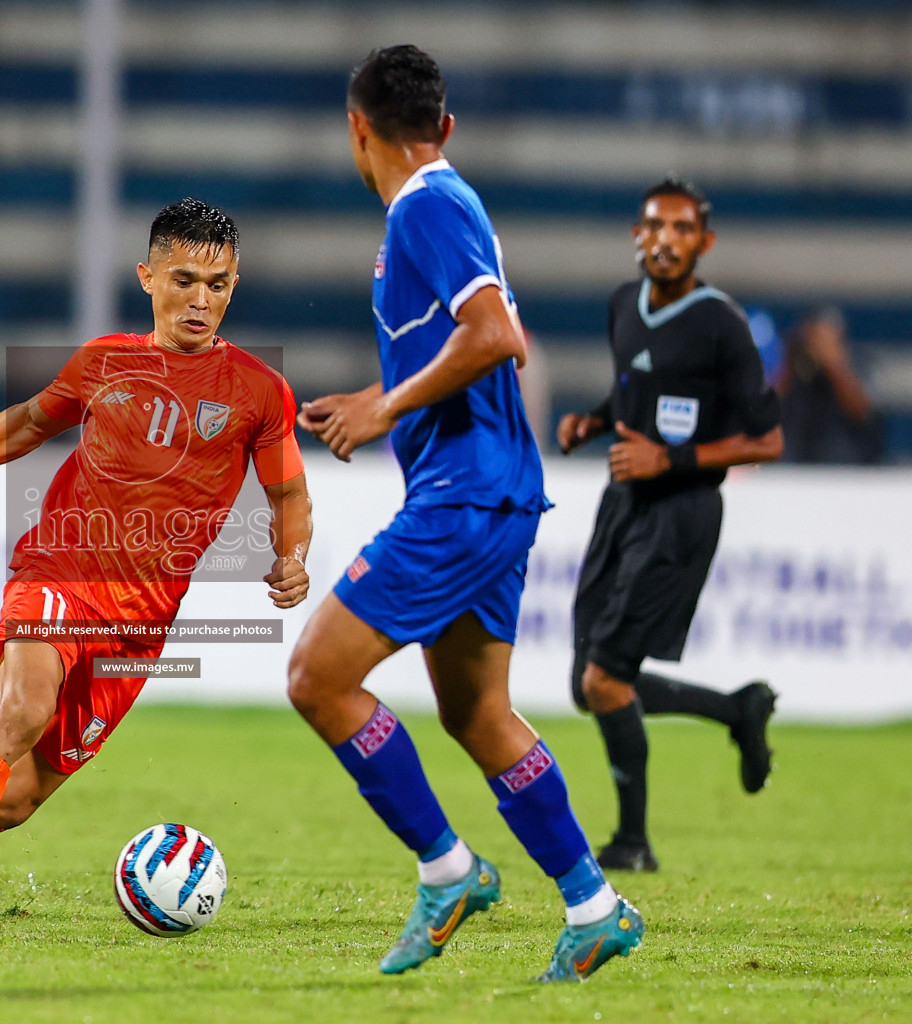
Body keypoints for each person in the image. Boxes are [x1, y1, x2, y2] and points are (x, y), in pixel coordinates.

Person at [0, 199, 312, 940]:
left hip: (141, 624)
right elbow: (28, 424)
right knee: (22, 712)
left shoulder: (258, 391)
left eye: (218, 284)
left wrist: (292, 558)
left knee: (17, 802)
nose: (201, 300)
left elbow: (289, 492)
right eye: (184, 279)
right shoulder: (104, 361)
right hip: (60, 569)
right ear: (147, 277)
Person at [290, 45, 641, 983]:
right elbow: (465, 347)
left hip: (467, 496)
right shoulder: (445, 206)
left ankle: (449, 872)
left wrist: (385, 408)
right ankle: (595, 906)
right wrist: (375, 393)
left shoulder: (428, 205)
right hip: (492, 490)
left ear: (357, 131)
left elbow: (499, 338)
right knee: (479, 714)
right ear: (443, 125)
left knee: (318, 679)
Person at [558, 177, 784, 873]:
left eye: (683, 229)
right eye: (656, 226)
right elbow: (635, 385)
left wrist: (671, 457)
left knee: (604, 680)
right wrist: (596, 419)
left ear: (704, 243)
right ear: (638, 235)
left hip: (682, 512)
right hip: (622, 500)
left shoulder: (722, 323)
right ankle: (738, 710)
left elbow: (767, 440)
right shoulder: (624, 304)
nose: (667, 239)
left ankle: (633, 842)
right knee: (588, 683)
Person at [780, 306, 881, 465]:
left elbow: (863, 411)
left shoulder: (859, 360)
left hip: (845, 464)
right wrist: (788, 361)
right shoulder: (795, 362)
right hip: (795, 462)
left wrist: (833, 364)